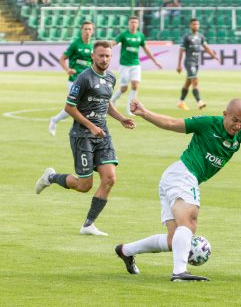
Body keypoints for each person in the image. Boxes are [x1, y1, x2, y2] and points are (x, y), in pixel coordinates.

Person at [115, 98, 241, 281]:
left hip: (175, 178)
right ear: (225, 114)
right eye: (234, 120)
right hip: (183, 174)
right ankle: (179, 273)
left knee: (175, 240)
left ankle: (126, 250)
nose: (238, 126)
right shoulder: (208, 123)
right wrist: (145, 112)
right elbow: (172, 123)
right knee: (189, 221)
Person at [35, 41, 136, 236]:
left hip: (102, 135)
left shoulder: (110, 78)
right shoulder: (83, 78)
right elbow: (69, 107)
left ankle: (88, 225)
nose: (104, 59)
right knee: (84, 185)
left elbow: (106, 103)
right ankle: (51, 177)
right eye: (101, 56)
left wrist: (122, 119)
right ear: (93, 56)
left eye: (107, 56)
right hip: (82, 136)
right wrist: (91, 126)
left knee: (110, 179)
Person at [48, 21, 94, 136]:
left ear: (92, 31)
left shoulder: (93, 46)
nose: (87, 31)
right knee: (74, 107)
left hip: (88, 81)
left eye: (89, 29)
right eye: (85, 29)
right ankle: (58, 121)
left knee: (81, 106)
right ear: (81, 30)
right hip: (74, 80)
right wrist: (67, 69)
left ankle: (55, 120)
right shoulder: (75, 44)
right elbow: (62, 58)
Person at [110, 16, 163, 115]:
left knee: (135, 85)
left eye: (135, 22)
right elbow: (114, 42)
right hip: (124, 64)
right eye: (132, 22)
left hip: (135, 64)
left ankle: (130, 108)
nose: (133, 24)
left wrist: (155, 61)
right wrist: (109, 44)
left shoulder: (140, 36)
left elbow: (146, 49)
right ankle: (112, 101)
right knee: (124, 88)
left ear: (138, 24)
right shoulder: (124, 35)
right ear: (129, 24)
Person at [176, 18, 220, 111]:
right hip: (189, 61)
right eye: (193, 24)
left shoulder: (201, 36)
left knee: (188, 83)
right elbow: (181, 50)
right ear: (190, 25)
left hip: (196, 62)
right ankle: (199, 102)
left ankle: (180, 102)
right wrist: (179, 65)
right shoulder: (187, 37)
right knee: (195, 80)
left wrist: (214, 56)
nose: (195, 26)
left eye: (197, 24)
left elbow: (206, 47)